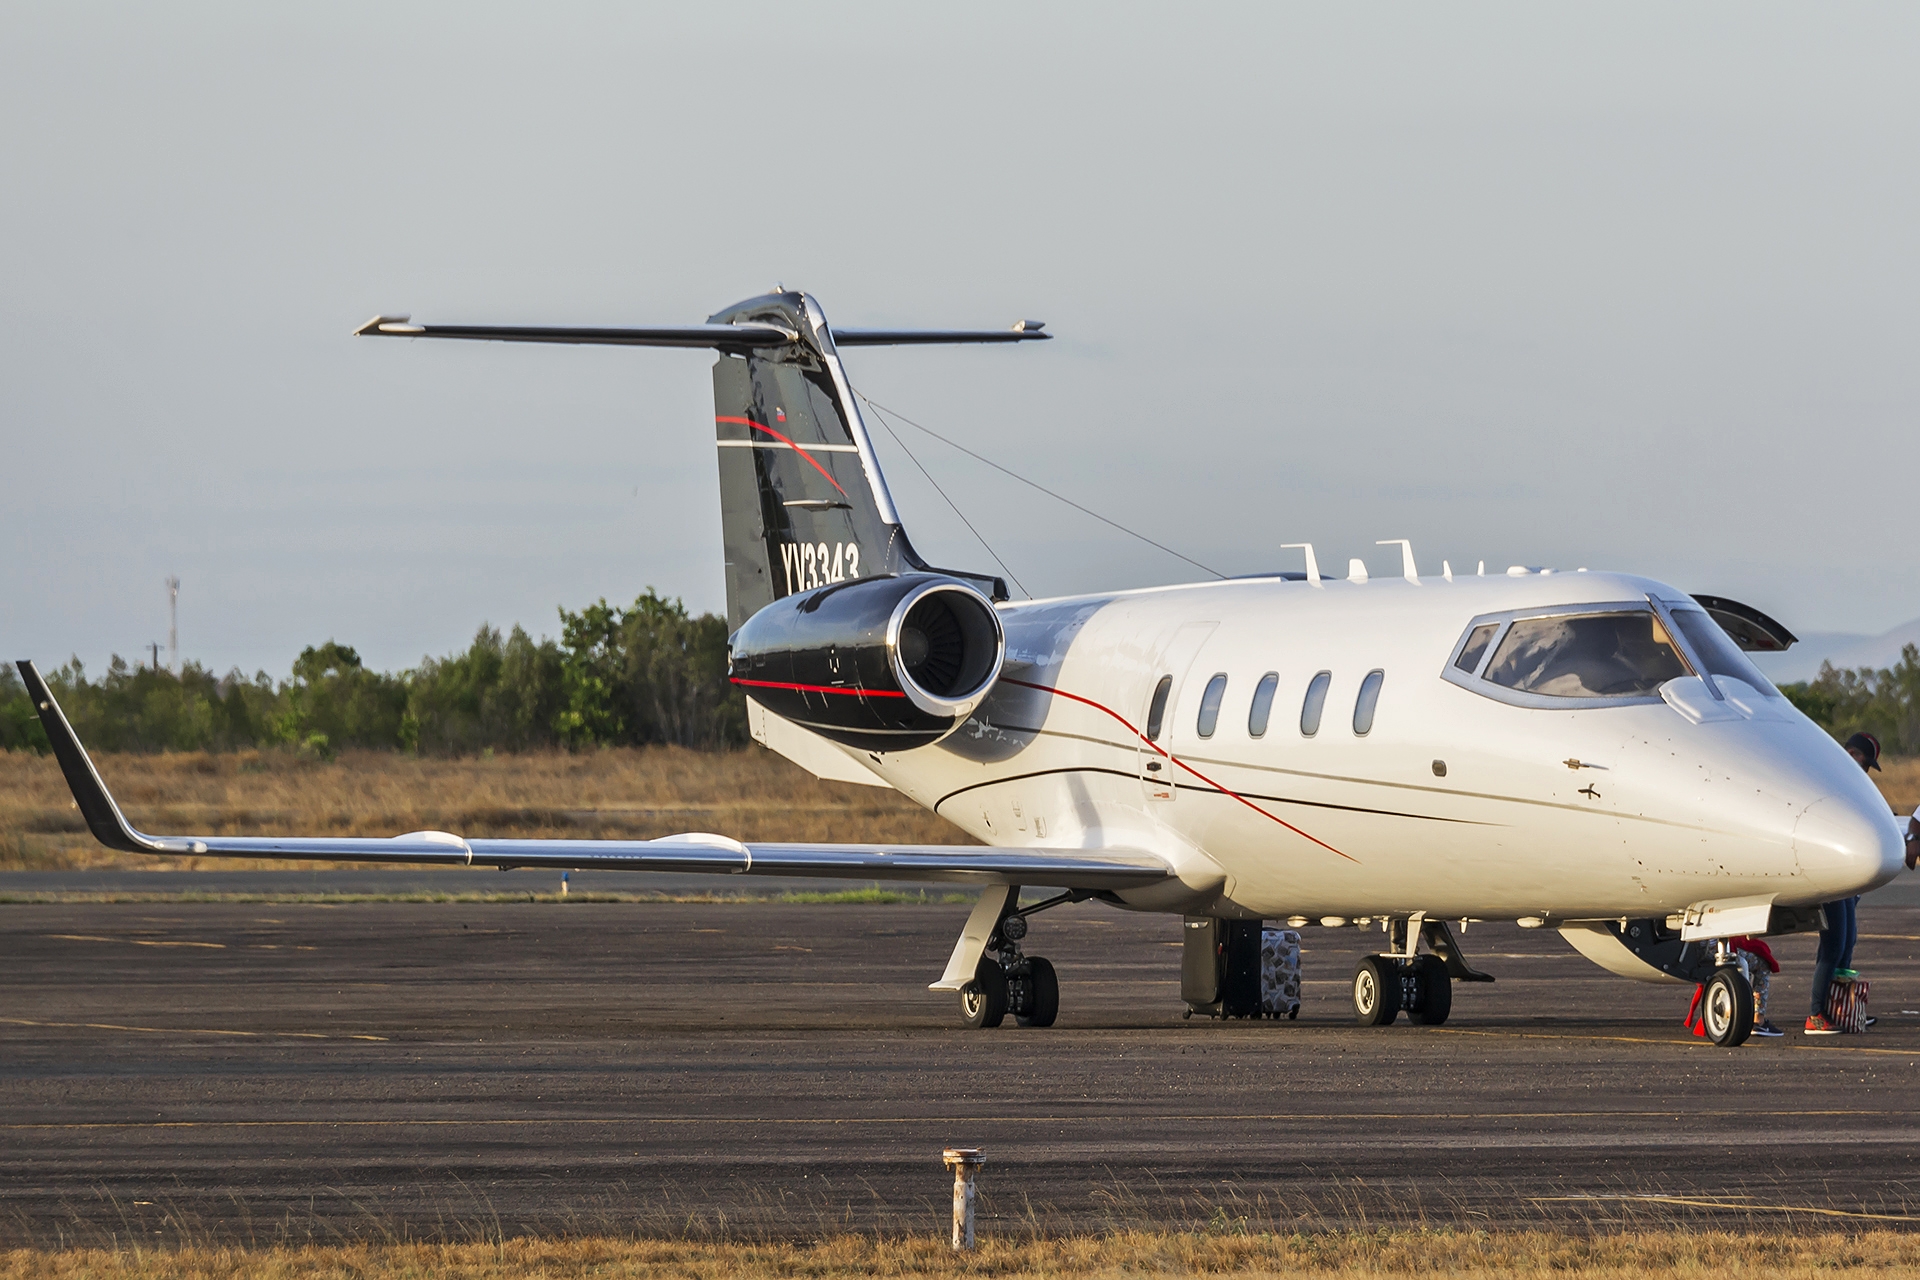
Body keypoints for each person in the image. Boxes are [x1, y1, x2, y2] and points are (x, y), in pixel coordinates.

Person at [1806, 731, 1881, 1034]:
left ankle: (1841, 1007)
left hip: (1848, 881)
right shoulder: (1831, 781)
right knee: (1834, 945)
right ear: (1851, 754)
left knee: (1847, 942)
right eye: (1864, 760)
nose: (1865, 768)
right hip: (1831, 875)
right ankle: (1815, 1014)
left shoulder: (1851, 782)